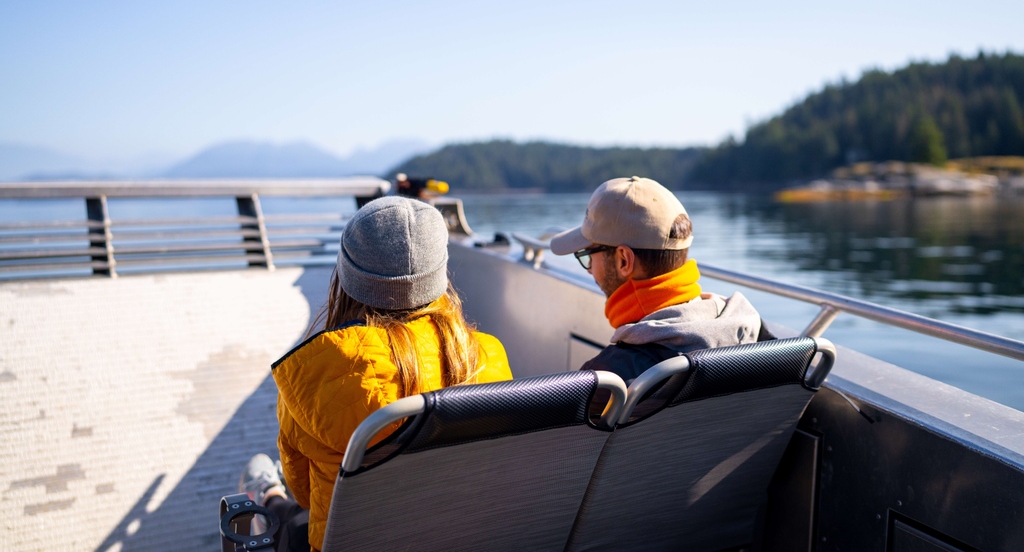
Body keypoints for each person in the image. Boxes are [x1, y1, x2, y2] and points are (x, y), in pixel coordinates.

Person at [239, 196, 513, 552]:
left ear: (347, 280)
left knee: (293, 516)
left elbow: (303, 492)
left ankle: (266, 493)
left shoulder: (311, 375)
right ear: (440, 275)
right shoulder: (489, 357)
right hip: (460, 536)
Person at [549, 176, 762, 384]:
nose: (589, 270)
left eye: (588, 255)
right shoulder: (757, 337)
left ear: (624, 260)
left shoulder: (609, 379)